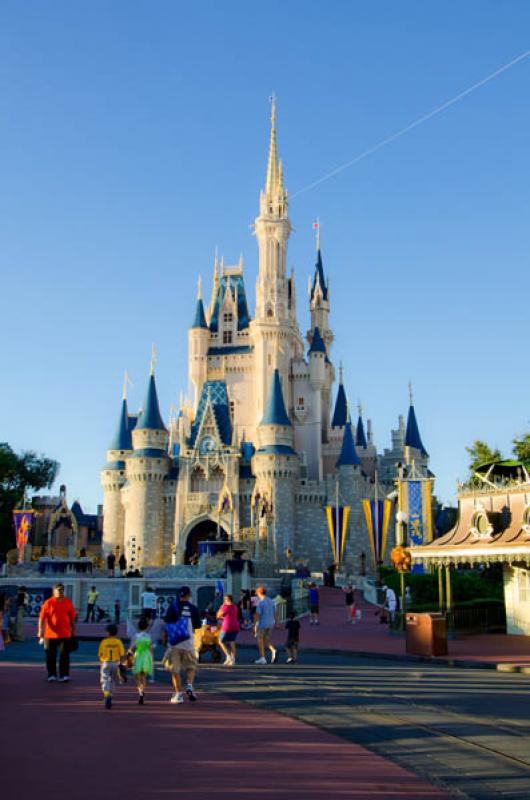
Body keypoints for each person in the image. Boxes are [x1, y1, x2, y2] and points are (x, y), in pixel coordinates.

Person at [163, 586, 202, 704]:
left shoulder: (173, 607)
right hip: (189, 642)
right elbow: (198, 626)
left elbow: (166, 625)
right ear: (189, 595)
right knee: (191, 667)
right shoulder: (193, 609)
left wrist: (165, 640)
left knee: (175, 670)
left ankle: (178, 694)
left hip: (174, 643)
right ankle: (189, 685)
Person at [37, 583, 77, 682]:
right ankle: (52, 674)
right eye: (58, 590)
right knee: (51, 655)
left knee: (64, 655)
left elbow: (72, 617)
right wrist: (40, 631)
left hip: (65, 633)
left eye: (62, 590)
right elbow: (42, 618)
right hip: (50, 634)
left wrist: (73, 630)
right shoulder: (48, 603)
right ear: (53, 591)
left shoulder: (68, 602)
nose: (60, 591)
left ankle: (64, 675)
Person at [98, 623, 125, 709]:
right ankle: (111, 694)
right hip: (115, 663)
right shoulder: (118, 642)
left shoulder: (104, 642)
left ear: (107, 633)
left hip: (106, 662)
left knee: (104, 679)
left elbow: (100, 654)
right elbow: (122, 654)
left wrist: (101, 663)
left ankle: (107, 694)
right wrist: (121, 663)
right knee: (113, 680)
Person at [130, 617, 154, 705]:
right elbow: (151, 648)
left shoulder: (136, 636)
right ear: (147, 627)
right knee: (143, 676)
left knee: (137, 676)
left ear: (138, 627)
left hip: (138, 655)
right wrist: (152, 658)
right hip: (147, 656)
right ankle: (142, 691)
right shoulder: (148, 636)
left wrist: (129, 654)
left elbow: (132, 647)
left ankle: (140, 691)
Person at [254, 585, 277, 665]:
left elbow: (257, 615)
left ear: (260, 593)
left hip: (262, 624)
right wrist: (275, 623)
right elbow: (275, 613)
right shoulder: (272, 601)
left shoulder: (261, 603)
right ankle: (273, 650)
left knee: (260, 640)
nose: (257, 595)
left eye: (257, 594)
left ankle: (262, 657)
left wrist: (254, 625)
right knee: (266, 640)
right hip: (270, 623)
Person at [217, 594, 240, 666]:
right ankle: (233, 659)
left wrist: (221, 607)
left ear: (226, 600)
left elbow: (218, 616)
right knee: (232, 642)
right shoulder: (235, 606)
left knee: (220, 641)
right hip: (235, 625)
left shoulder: (225, 607)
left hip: (227, 626)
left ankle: (228, 656)